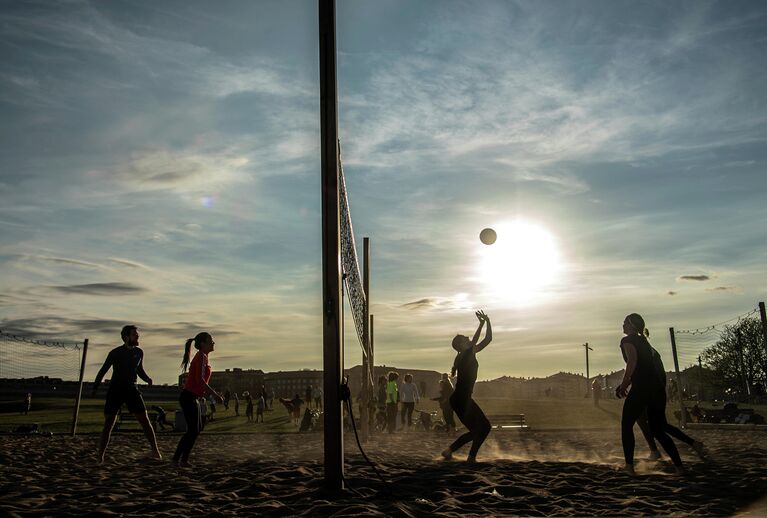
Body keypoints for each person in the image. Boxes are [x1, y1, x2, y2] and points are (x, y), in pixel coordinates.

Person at [616, 314, 683, 475]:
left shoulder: (627, 340)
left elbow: (632, 362)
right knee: (658, 429)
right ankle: (680, 467)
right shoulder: (645, 342)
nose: (623, 325)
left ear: (631, 325)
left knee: (626, 426)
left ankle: (630, 467)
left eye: (625, 322)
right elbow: (646, 367)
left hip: (642, 388)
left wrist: (624, 384)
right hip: (657, 389)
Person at [92, 325, 161, 464]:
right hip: (116, 390)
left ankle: (155, 451)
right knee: (109, 423)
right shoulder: (115, 352)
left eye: (137, 334)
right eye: (134, 335)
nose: (137, 336)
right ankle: (100, 456)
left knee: (145, 420)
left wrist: (147, 378)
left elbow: (139, 370)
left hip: (132, 390)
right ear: (126, 337)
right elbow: (103, 370)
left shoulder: (139, 352)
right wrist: (94, 388)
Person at [637, 339, 706, 460]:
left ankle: (656, 451)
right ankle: (694, 444)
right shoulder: (649, 351)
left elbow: (644, 372)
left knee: (649, 423)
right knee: (660, 425)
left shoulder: (644, 351)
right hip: (656, 391)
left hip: (652, 392)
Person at [441, 311, 492, 463]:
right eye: (465, 338)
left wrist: (488, 322)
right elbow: (478, 338)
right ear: (461, 345)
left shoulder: (467, 354)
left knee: (478, 430)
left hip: (460, 399)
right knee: (485, 427)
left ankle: (449, 451)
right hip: (461, 400)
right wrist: (482, 323)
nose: (468, 338)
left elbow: (488, 339)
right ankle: (471, 458)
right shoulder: (465, 354)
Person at [172, 332, 223, 468]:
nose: (213, 343)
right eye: (210, 341)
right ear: (203, 344)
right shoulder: (201, 356)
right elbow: (200, 380)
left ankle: (179, 459)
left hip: (192, 397)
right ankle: (180, 460)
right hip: (188, 397)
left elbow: (199, 381)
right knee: (193, 430)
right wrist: (215, 395)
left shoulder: (203, 357)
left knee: (196, 429)